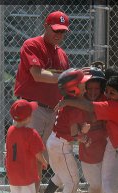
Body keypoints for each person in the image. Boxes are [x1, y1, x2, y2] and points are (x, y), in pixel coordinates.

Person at [13, 10, 70, 177]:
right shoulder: (33, 45)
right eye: (55, 30)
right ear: (46, 26)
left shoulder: (62, 55)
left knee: (40, 159)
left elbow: (65, 86)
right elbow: (37, 75)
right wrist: (67, 76)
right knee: (27, 156)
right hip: (32, 109)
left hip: (52, 111)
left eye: (62, 31)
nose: (59, 34)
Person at [37, 68, 92, 193]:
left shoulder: (68, 100)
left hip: (55, 142)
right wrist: (85, 136)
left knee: (62, 176)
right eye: (82, 85)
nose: (85, 86)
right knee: (73, 181)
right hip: (61, 145)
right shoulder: (74, 108)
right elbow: (75, 135)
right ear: (74, 90)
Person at [0, 100, 48, 193]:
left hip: (13, 173)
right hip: (26, 173)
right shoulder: (31, 133)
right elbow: (38, 153)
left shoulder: (10, 130)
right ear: (28, 118)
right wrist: (44, 162)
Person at [77, 67, 108, 193]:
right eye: (90, 88)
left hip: (106, 151)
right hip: (88, 152)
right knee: (95, 185)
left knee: (108, 183)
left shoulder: (105, 100)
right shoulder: (79, 102)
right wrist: (81, 135)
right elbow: (75, 131)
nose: (93, 92)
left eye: (97, 88)